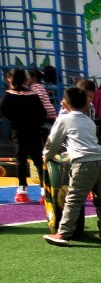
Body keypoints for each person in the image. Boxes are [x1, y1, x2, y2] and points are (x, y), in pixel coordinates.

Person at [41, 86, 101, 246]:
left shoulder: (64, 119)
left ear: (64, 104)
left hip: (83, 163)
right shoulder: (90, 121)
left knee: (73, 199)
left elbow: (53, 142)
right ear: (86, 105)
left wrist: (47, 156)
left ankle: (64, 233)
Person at [1, 68, 47, 203]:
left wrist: (15, 119)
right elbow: (42, 113)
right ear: (26, 80)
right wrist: (35, 123)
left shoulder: (9, 95)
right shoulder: (33, 95)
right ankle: (44, 192)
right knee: (38, 160)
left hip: (18, 131)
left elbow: (3, 110)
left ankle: (22, 191)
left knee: (21, 159)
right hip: (34, 131)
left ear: (10, 79)